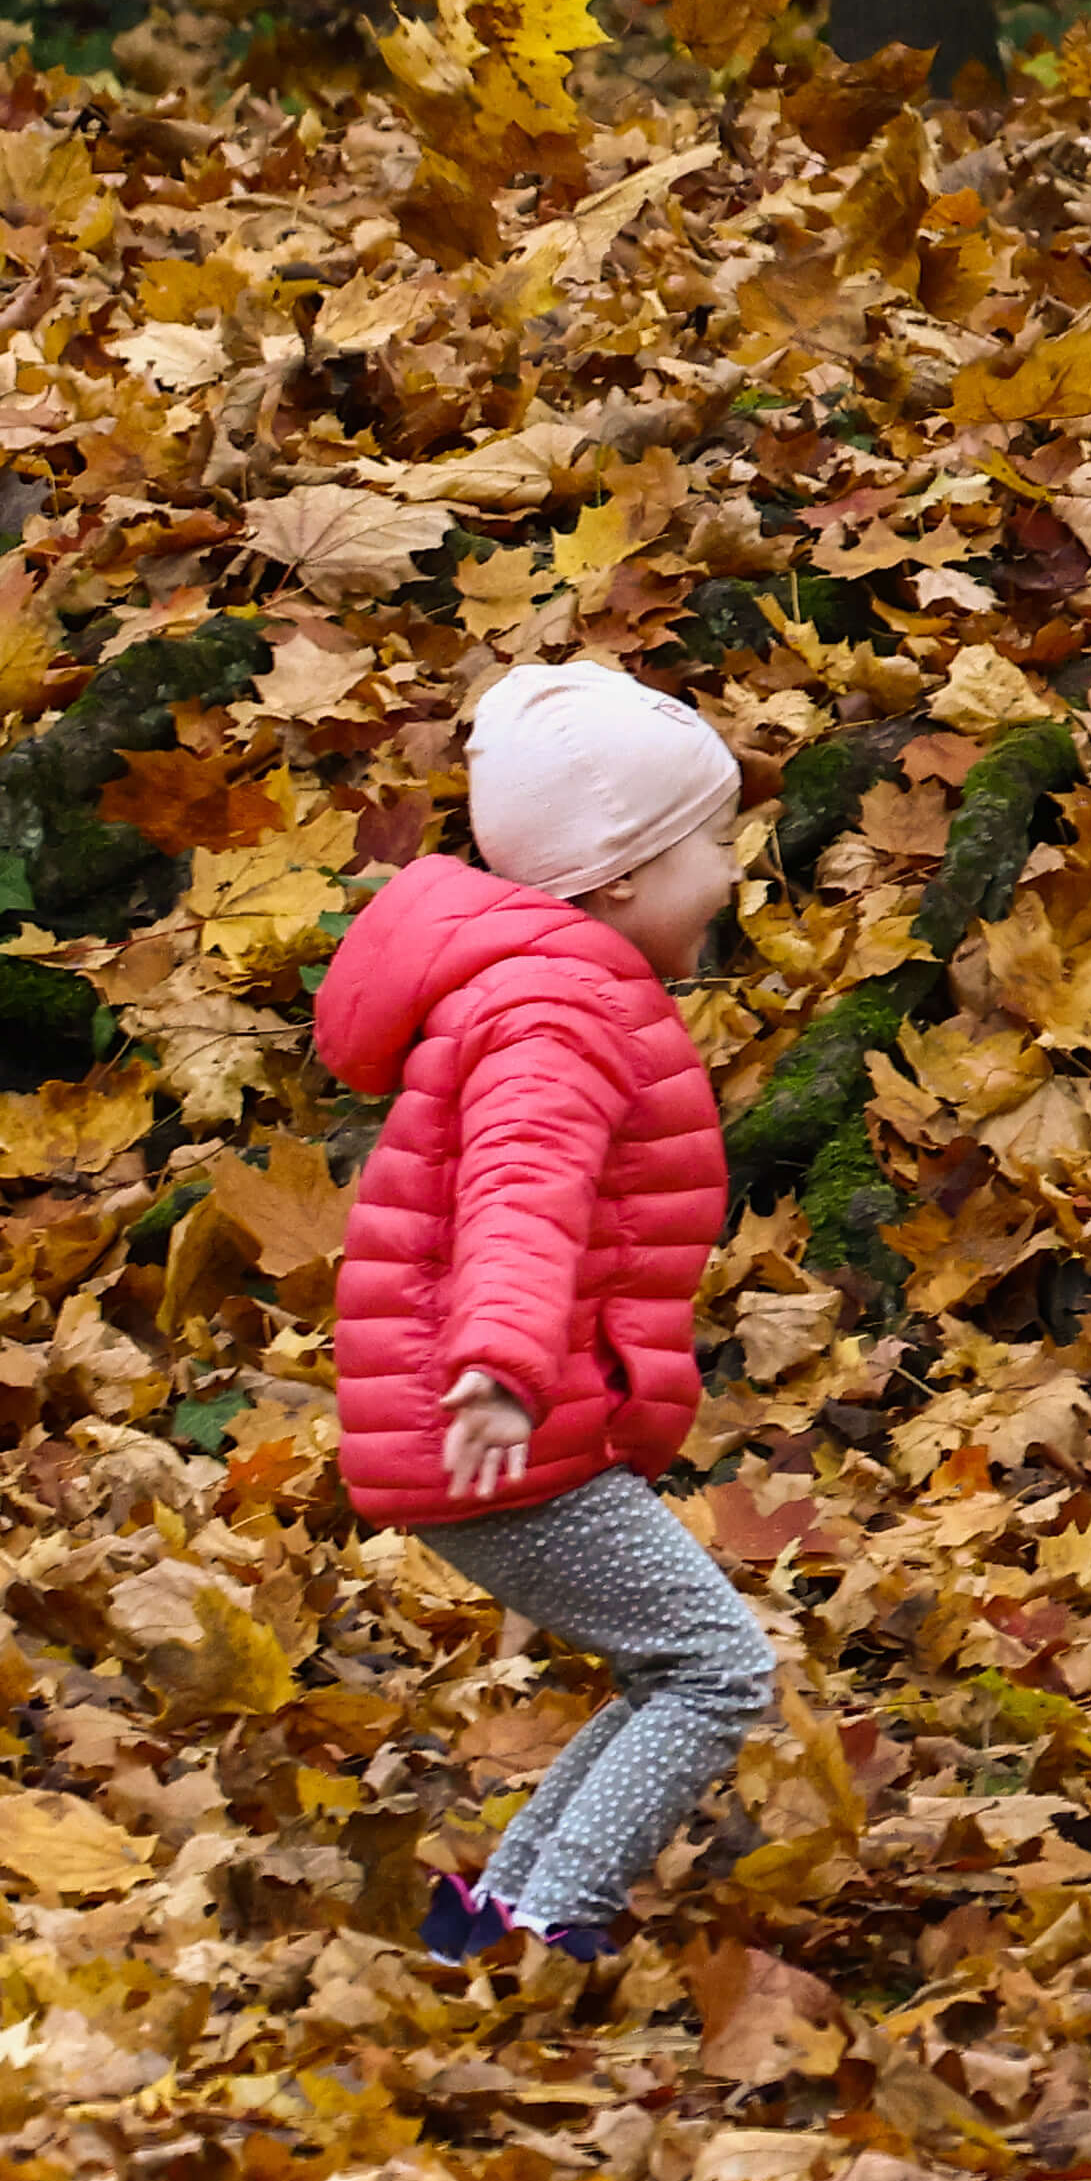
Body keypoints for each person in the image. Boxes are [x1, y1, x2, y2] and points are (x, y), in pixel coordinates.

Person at [316, 657, 780, 1968]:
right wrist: (508, 1362)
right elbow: (523, 1188)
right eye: (714, 843)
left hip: (498, 1420)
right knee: (714, 1670)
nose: (732, 874)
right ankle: (546, 1921)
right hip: (501, 1426)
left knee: (668, 1668)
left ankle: (491, 1916)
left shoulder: (542, 987)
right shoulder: (559, 1009)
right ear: (622, 877)